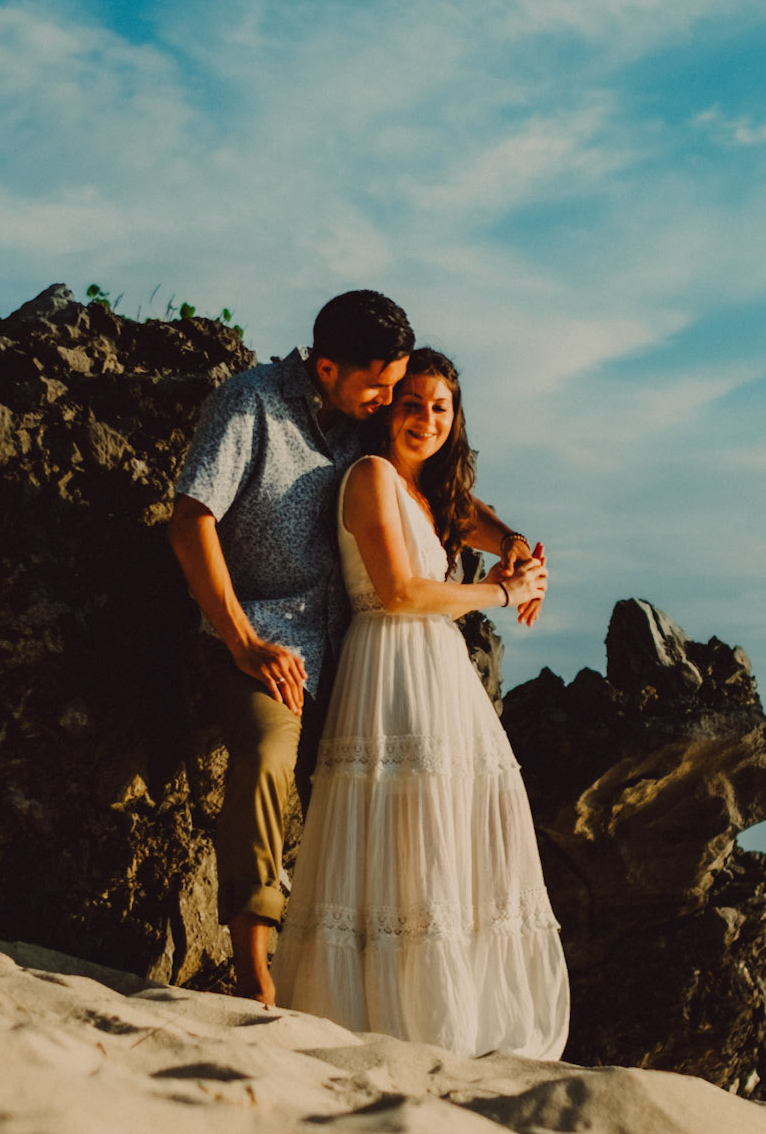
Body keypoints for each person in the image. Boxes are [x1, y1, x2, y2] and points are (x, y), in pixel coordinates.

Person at [170, 295, 537, 1005]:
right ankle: (254, 974)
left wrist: (513, 544)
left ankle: (386, 988)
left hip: (353, 656)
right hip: (265, 637)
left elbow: (434, 491)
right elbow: (191, 519)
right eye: (381, 387)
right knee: (268, 758)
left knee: (386, 805)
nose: (391, 402)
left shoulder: (366, 420)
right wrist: (244, 642)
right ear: (327, 368)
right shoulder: (251, 404)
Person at [272, 349, 570, 1059]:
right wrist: (504, 591)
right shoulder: (371, 476)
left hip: (440, 669)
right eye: (413, 405)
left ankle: (457, 1013)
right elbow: (401, 591)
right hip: (391, 661)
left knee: (457, 828)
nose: (427, 420)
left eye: (441, 409)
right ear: (389, 411)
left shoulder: (425, 490)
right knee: (404, 831)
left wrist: (517, 547)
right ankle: (397, 1016)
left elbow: (470, 517)